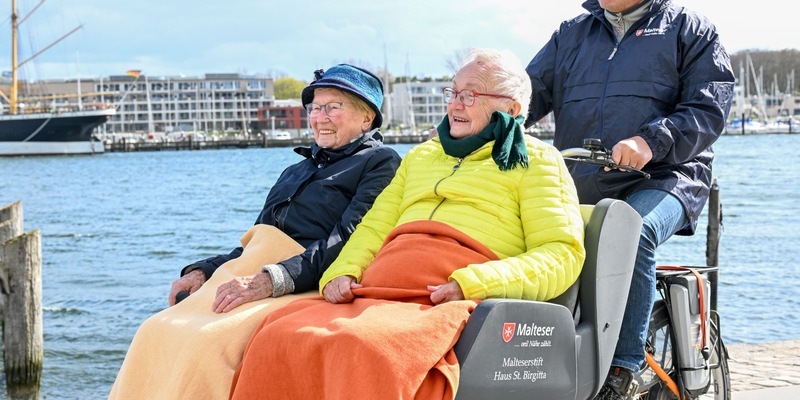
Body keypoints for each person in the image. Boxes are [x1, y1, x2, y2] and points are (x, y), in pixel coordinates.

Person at [228, 48, 586, 399]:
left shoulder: (539, 160)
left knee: (366, 347)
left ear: (512, 108)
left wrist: (474, 283)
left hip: (442, 294)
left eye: (470, 95)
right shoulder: (421, 156)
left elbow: (562, 253)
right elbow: (375, 226)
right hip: (380, 288)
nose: (455, 104)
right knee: (280, 334)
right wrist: (345, 270)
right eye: (453, 92)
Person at [108, 64, 402, 400]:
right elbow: (257, 240)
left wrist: (273, 279)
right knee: (155, 330)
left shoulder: (380, 162)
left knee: (209, 345)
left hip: (303, 279)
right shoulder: (296, 169)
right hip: (254, 269)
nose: (320, 117)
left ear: (367, 119)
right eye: (315, 108)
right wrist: (204, 269)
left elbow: (348, 239)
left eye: (333, 107)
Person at [525, 1, 735, 399]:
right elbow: (526, 93)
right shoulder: (572, 33)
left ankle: (622, 369)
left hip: (667, 175)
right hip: (584, 176)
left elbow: (709, 109)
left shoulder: (690, 29)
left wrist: (650, 141)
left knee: (630, 231)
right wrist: (486, 122)